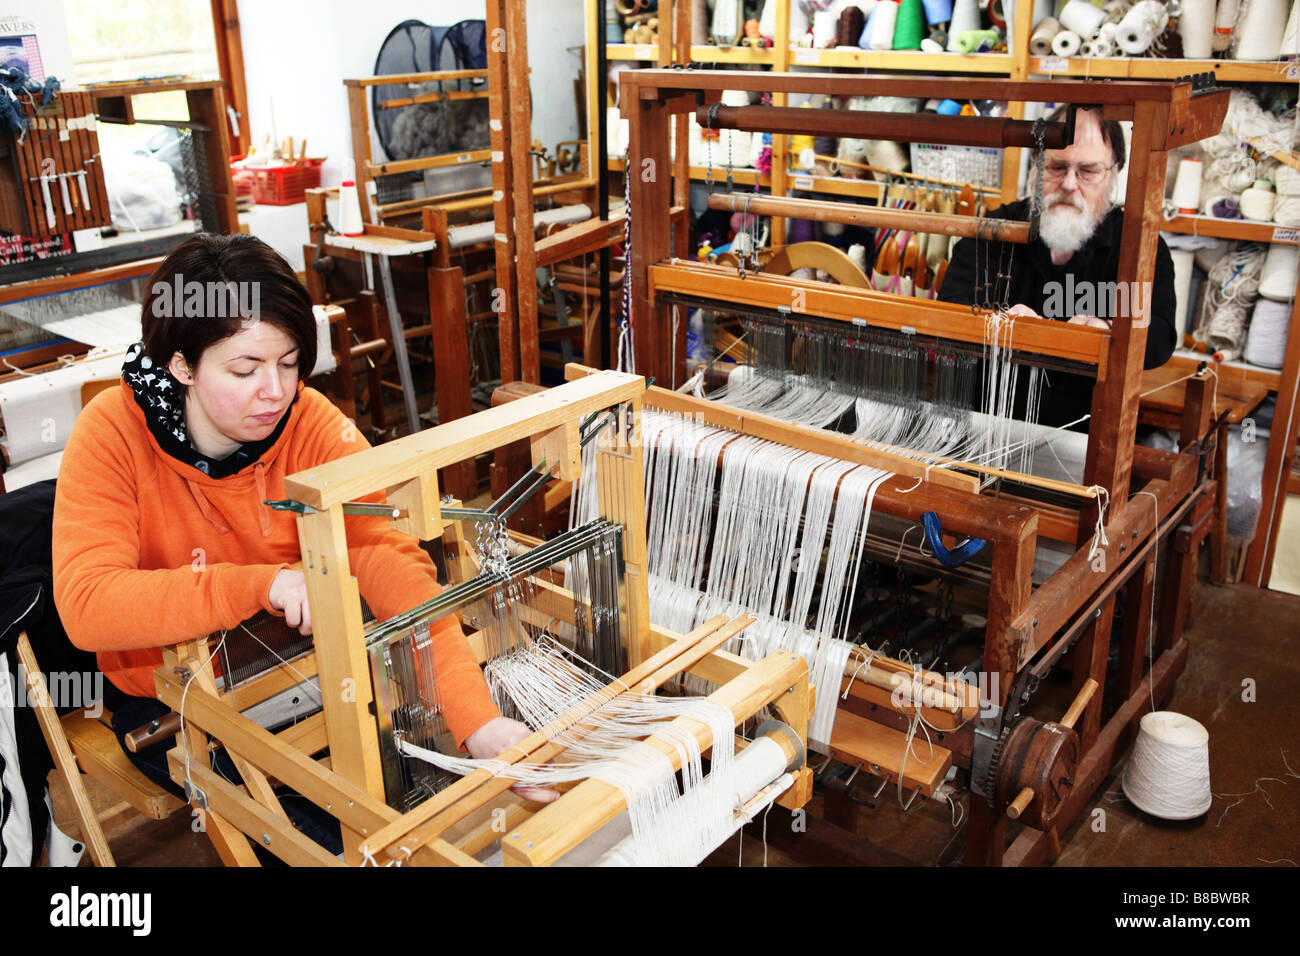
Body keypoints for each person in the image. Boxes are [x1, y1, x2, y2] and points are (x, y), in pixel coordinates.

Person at [51, 234, 554, 837]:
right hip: (174, 703)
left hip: (307, 671)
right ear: (181, 366)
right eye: (245, 369)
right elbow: (88, 604)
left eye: (289, 363)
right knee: (331, 837)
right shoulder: (111, 433)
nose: (276, 391)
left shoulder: (310, 422)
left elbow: (391, 566)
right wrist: (262, 585)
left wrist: (480, 723)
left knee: (410, 808)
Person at [937, 105, 1178, 430]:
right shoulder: (996, 232)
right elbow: (947, 314)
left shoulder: (1137, 247)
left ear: (1114, 174)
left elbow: (1159, 337)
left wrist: (1109, 332)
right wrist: (997, 324)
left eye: (1088, 171)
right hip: (985, 429)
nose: (1068, 184)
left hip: (1086, 439)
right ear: (1036, 168)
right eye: (1056, 167)